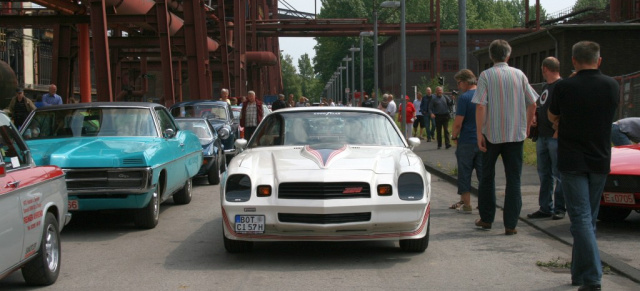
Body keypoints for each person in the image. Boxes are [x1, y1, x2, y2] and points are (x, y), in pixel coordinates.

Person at [548, 41, 619, 291]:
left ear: (574, 61)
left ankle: (592, 278)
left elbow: (552, 115)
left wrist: (561, 122)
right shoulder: (612, 85)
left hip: (572, 159)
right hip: (600, 158)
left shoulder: (564, 86)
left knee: (580, 218)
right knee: (588, 219)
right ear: (599, 61)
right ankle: (579, 273)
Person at [472, 39, 538, 235]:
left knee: (487, 177)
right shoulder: (519, 75)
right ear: (508, 55)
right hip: (515, 134)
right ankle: (511, 224)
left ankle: (486, 218)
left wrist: (478, 133)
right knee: (514, 179)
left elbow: (481, 105)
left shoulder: (486, 75)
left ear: (491, 56)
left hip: (491, 134)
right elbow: (532, 102)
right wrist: (526, 127)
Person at [527, 57, 566, 221]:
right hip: (542, 135)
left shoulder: (562, 86)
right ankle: (545, 207)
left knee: (558, 173)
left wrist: (559, 130)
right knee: (544, 173)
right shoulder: (545, 87)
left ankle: (559, 208)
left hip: (554, 137)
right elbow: (542, 106)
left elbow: (565, 109)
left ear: (545, 69)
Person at [450, 69, 482, 214]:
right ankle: (484, 204)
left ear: (465, 81)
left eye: (459, 83)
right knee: (484, 175)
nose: (458, 86)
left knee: (465, 173)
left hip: (467, 140)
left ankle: (467, 205)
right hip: (483, 140)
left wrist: (454, 136)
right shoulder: (483, 95)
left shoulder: (464, 98)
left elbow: (458, 123)